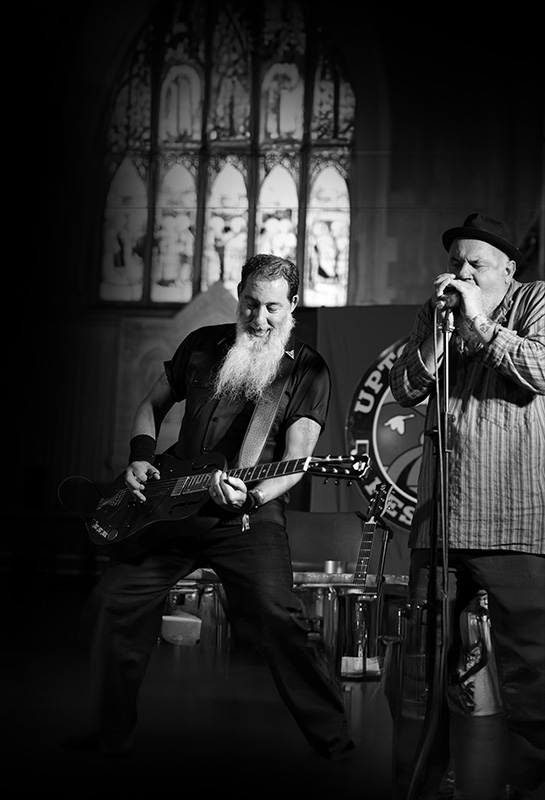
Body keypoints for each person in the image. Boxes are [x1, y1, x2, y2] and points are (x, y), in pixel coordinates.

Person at [81, 253, 354, 761]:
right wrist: (140, 457)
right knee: (112, 599)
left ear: (293, 305)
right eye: (250, 303)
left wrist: (254, 494)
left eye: (272, 307)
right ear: (240, 295)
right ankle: (109, 732)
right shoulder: (202, 344)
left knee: (278, 615)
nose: (259, 318)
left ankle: (333, 737)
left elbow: (297, 461)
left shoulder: (308, 368)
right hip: (173, 502)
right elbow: (150, 406)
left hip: (248, 511)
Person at [389, 212, 545, 800]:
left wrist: (479, 321)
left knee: (532, 672)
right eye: (456, 262)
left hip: (517, 522)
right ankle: (425, 784)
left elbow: (541, 369)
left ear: (508, 268)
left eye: (476, 264)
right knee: (424, 669)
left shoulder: (536, 301)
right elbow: (404, 388)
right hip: (441, 525)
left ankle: (527, 787)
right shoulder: (435, 314)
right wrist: (438, 334)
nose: (463, 273)